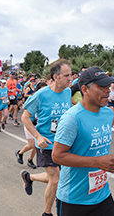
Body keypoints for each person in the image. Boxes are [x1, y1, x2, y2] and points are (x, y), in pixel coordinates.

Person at [51, 67, 114, 216]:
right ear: (85, 90)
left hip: (102, 195)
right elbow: (57, 156)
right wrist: (96, 162)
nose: (108, 90)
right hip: (74, 200)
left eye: (108, 86)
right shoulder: (72, 119)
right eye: (101, 86)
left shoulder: (108, 114)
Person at [20, 62, 72, 216]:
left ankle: (29, 177)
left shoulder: (68, 92)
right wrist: (37, 136)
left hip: (64, 143)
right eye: (66, 75)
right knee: (55, 179)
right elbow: (25, 117)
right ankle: (47, 213)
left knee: (59, 178)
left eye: (71, 74)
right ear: (55, 77)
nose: (71, 78)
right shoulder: (41, 95)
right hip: (47, 143)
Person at [16, 81, 48, 170]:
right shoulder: (34, 98)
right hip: (29, 123)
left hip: (38, 124)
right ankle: (20, 153)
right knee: (32, 145)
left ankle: (30, 160)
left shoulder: (48, 100)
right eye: (42, 89)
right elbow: (24, 107)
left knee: (36, 145)